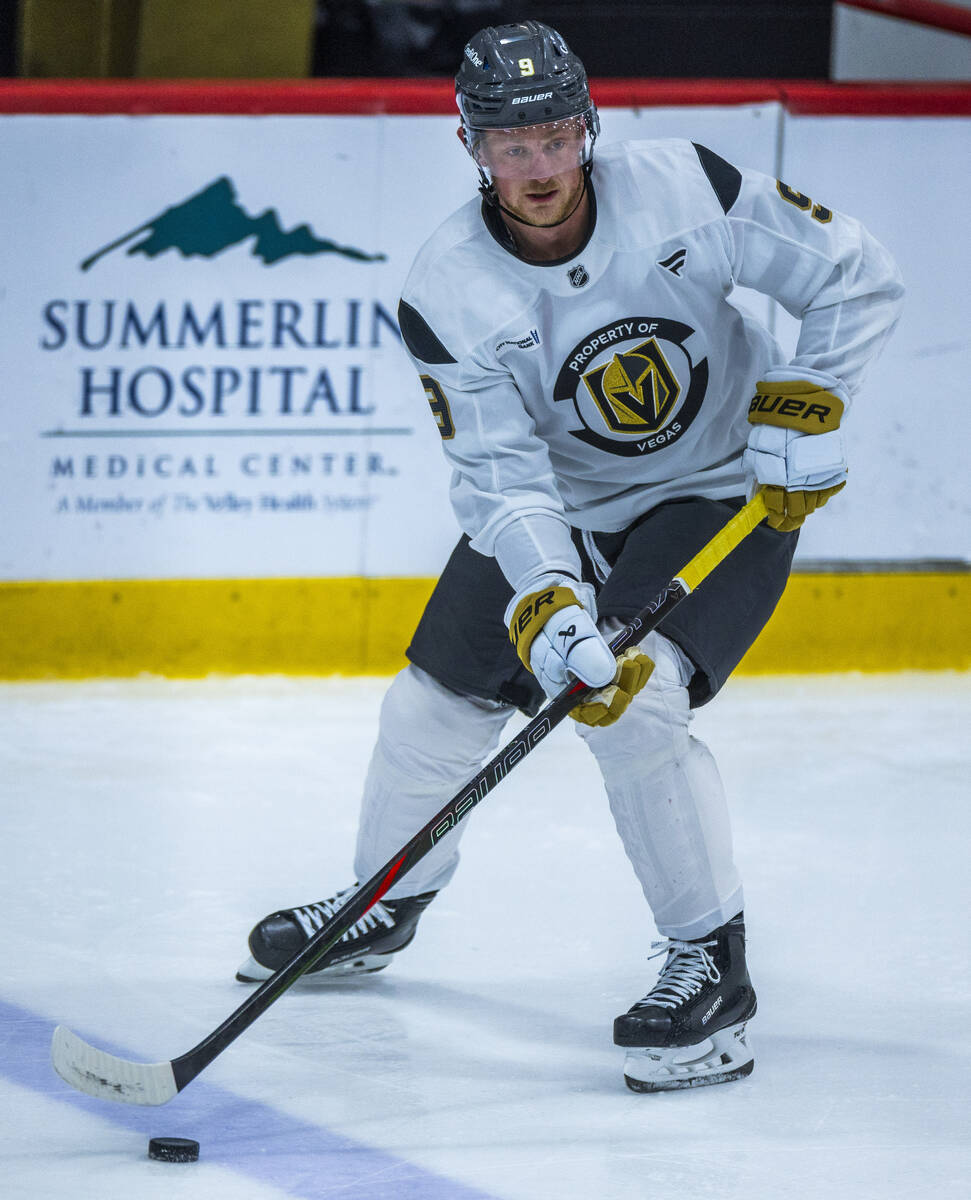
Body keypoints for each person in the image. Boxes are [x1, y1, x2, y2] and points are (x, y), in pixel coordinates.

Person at [238, 20, 904, 1092]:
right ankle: (384, 899)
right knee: (428, 702)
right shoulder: (445, 288)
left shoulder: (684, 185)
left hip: (719, 489)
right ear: (469, 145)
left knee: (636, 706)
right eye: (510, 145)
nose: (537, 167)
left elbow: (854, 274)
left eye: (552, 136)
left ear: (586, 127)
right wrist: (550, 602)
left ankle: (710, 966)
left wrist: (810, 402)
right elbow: (499, 479)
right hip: (568, 509)